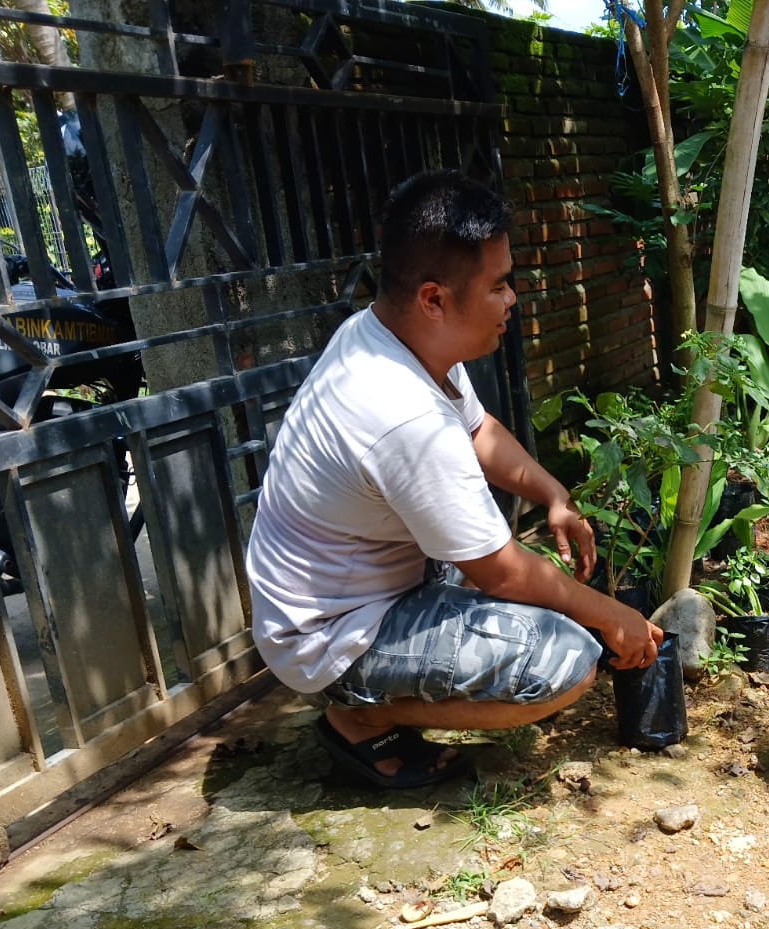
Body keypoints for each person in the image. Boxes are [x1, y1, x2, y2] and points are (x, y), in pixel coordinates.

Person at [245, 169, 661, 790]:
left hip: (374, 589)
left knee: (552, 609)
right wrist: (613, 618)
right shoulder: (400, 413)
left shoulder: (397, 339)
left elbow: (479, 430)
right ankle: (356, 715)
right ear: (435, 299)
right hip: (328, 636)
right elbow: (502, 571)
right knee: (567, 662)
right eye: (499, 287)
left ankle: (373, 700)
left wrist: (551, 493)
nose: (512, 300)